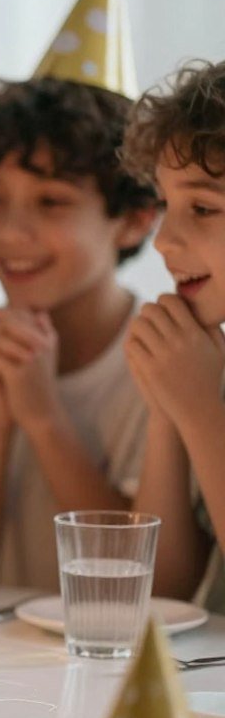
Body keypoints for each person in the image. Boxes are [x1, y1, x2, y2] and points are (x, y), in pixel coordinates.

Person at [0, 73, 158, 589]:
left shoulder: (160, 358)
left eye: (51, 202)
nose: (10, 232)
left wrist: (44, 416)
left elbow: (140, 575)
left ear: (135, 220)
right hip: (6, 660)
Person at [121, 61, 225, 614]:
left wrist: (203, 411)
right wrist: (169, 407)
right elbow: (160, 592)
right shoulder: (212, 358)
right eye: (166, 204)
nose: (163, 241)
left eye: (203, 208)